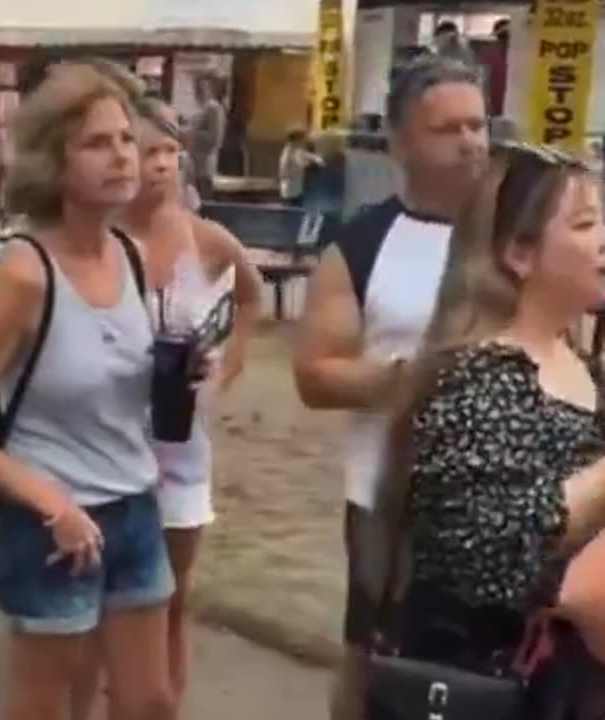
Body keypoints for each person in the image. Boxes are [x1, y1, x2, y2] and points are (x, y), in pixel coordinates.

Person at [0, 61, 175, 720]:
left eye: (126, 138)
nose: (123, 156)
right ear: (53, 163)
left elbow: (111, 374)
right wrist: (50, 504)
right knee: (48, 706)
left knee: (150, 702)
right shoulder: (24, 272)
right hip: (52, 523)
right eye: (98, 143)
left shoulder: (130, 254)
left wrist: (178, 375)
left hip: (133, 506)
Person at [291, 57, 489, 720]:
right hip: (388, 496)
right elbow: (315, 374)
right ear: (403, 144)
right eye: (448, 128)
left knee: (494, 666)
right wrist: (407, 379)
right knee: (373, 659)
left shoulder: (519, 234)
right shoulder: (362, 244)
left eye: (478, 124)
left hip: (506, 492)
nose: (470, 141)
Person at [380, 142, 605, 717]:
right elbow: (496, 550)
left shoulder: (578, 360)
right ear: (520, 254)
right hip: (493, 685)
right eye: (585, 223)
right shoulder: (478, 375)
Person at [118, 96, 264, 716]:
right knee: (116, 600)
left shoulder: (208, 240)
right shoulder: (99, 239)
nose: (159, 165)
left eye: (169, 152)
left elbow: (252, 298)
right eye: (145, 151)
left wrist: (226, 369)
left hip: (181, 445)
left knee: (173, 597)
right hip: (109, 440)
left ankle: (164, 705)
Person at [188, 76, 225, 200]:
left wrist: (192, 134)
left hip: (205, 165)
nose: (199, 90)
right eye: (197, 87)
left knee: (203, 200)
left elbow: (215, 137)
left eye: (203, 87)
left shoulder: (213, 108)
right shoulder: (200, 108)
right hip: (193, 164)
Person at [278, 129, 323, 206]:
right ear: (296, 140)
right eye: (302, 139)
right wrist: (305, 166)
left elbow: (310, 157)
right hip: (292, 191)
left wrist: (317, 160)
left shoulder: (296, 150)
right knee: (293, 212)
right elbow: (285, 173)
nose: (304, 142)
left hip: (296, 190)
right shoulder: (289, 152)